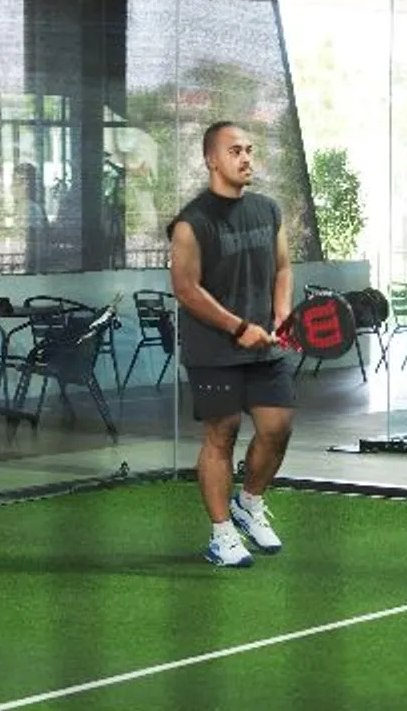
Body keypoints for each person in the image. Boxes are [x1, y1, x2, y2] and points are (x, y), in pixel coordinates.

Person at [168, 121, 295, 568]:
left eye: (249, 150)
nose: (245, 158)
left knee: (278, 427)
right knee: (222, 434)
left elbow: (283, 268)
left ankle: (249, 502)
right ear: (211, 160)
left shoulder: (268, 210)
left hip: (265, 346)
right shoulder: (191, 223)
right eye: (235, 151)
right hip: (214, 348)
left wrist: (282, 311)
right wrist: (239, 327)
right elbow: (185, 288)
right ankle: (221, 534)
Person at [12, 162, 49, 274]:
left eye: (21, 182)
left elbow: (31, 242)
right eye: (16, 182)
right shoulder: (23, 206)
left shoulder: (30, 208)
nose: (24, 186)